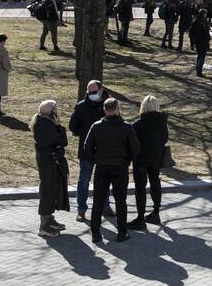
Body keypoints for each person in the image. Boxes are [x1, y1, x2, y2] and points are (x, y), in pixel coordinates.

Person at [84, 97, 139, 243]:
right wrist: (127, 160)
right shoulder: (127, 127)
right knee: (121, 201)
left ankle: (96, 233)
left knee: (98, 201)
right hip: (120, 167)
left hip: (102, 167)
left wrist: (96, 158)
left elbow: (87, 147)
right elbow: (135, 148)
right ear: (117, 109)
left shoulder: (96, 126)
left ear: (104, 109)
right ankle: (122, 232)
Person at [68, 80, 109, 222]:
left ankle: (106, 206)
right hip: (87, 150)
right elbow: (73, 126)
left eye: (93, 92)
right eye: (89, 92)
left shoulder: (109, 104)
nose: (91, 94)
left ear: (101, 89)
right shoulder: (81, 106)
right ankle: (81, 210)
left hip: (105, 149)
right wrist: (85, 134)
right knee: (84, 180)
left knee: (104, 180)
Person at [128, 95, 168, 230]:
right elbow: (165, 139)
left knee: (140, 187)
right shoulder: (162, 123)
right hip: (156, 158)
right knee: (155, 183)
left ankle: (140, 218)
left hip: (141, 159)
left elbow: (132, 142)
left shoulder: (137, 124)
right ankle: (156, 213)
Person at [32, 99, 69, 238]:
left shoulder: (44, 122)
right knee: (48, 191)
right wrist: (59, 126)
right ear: (51, 111)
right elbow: (62, 142)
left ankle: (49, 219)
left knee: (51, 189)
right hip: (48, 162)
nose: (57, 111)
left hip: (48, 161)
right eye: (56, 108)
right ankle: (44, 226)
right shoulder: (46, 125)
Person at [190, 9, 211, 77]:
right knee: (202, 56)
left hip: (198, 41)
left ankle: (198, 69)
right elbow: (205, 32)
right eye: (205, 14)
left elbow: (191, 32)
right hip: (202, 41)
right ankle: (199, 71)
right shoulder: (202, 22)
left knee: (199, 56)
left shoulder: (197, 21)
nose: (206, 15)